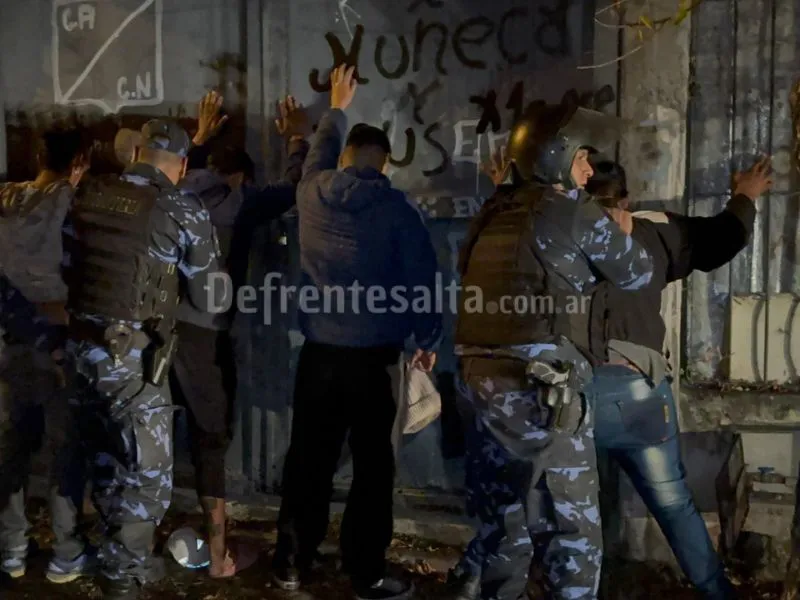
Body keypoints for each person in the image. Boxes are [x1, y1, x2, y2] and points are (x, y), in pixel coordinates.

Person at [450, 92, 655, 600]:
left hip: (481, 384)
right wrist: (618, 229)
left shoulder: (494, 210)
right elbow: (637, 273)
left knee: (505, 520)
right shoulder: (572, 211)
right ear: (557, 156)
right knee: (573, 530)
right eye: (582, 157)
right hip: (545, 388)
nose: (588, 171)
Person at [272, 65, 442, 600]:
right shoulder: (399, 211)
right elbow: (422, 281)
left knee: (309, 460)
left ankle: (291, 564)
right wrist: (428, 341)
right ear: (385, 164)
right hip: (376, 361)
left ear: (345, 159)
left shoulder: (311, 191)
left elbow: (318, 153)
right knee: (373, 468)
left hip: (319, 355)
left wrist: (337, 107)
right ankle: (365, 571)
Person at [582, 155, 771, 599]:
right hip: (638, 389)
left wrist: (503, 189)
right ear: (626, 199)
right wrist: (744, 196)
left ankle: (597, 584)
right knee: (674, 505)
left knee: (585, 501)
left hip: (580, 392)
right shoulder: (652, 229)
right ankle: (715, 591)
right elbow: (722, 238)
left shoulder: (557, 233)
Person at [64, 118, 227, 600]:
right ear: (182, 165)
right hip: (131, 361)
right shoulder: (181, 208)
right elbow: (210, 297)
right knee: (147, 476)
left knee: (104, 458)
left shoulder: (89, 194)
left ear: (137, 153)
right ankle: (124, 577)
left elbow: (66, 266)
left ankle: (110, 554)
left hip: (79, 352)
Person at [168, 91, 311, 578]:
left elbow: (175, 169)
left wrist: (199, 138)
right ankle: (218, 555)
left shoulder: (175, 191)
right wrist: (297, 140)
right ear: (239, 177)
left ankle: (137, 537)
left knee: (151, 433)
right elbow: (294, 186)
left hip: (155, 330)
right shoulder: (240, 201)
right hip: (204, 336)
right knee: (211, 438)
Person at [0, 125, 93, 583]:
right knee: (64, 449)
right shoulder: (75, 204)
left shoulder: (5, 198)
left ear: (38, 158)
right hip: (59, 346)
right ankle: (66, 553)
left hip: (11, 343)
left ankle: (12, 549)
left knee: (11, 449)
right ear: (79, 163)